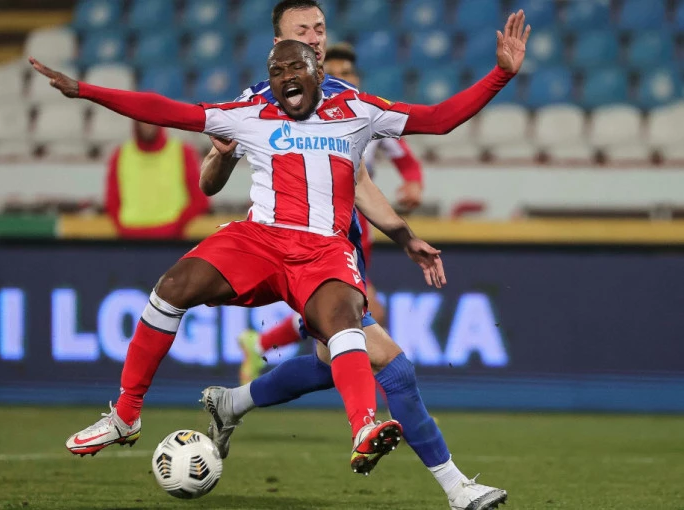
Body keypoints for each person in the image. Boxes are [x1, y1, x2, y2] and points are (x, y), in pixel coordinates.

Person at [29, 39, 454, 475]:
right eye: (279, 68)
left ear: (318, 67)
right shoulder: (252, 107)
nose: (290, 72)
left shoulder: (359, 110)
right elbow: (168, 113)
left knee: (342, 341)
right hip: (266, 241)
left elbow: (421, 136)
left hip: (330, 245)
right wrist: (86, 91)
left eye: (308, 51)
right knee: (174, 288)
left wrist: (405, 229)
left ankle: (345, 421)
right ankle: (127, 414)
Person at [198, 1, 529, 508]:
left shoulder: (345, 101)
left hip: (342, 251)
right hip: (299, 259)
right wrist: (220, 159)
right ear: (278, 44)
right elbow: (207, 182)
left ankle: (232, 402)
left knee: (330, 361)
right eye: (302, 29)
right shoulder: (256, 104)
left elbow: (362, 181)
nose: (314, 37)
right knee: (394, 369)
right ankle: (457, 488)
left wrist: (403, 235)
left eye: (319, 28)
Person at [237, 41, 425, 385]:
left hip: (359, 222)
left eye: (347, 72)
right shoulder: (310, 115)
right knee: (359, 312)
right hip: (321, 223)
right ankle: (384, 398)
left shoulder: (368, 114)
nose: (343, 78)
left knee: (340, 316)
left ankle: (261, 349)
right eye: (335, 73)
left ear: (358, 77)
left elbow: (406, 160)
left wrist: (413, 183)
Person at [105, 120, 209, 239]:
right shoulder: (120, 154)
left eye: (150, 119)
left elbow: (200, 199)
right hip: (130, 239)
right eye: (142, 120)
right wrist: (122, 228)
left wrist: (177, 226)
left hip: (170, 241)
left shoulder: (183, 152)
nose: (147, 125)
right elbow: (112, 200)